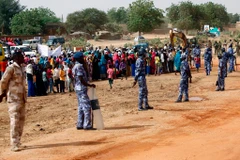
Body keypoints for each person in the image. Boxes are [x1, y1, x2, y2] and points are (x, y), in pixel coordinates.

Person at [0, 50, 27, 152]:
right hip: (13, 98)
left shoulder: (21, 68)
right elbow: (3, 81)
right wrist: (1, 94)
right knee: (14, 121)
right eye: (21, 57)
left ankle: (18, 142)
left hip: (22, 98)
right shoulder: (11, 68)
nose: (23, 58)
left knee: (21, 121)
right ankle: (14, 144)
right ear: (16, 58)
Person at [72, 52, 96, 130]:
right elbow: (81, 79)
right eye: (82, 58)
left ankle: (80, 123)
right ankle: (87, 125)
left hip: (78, 88)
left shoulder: (75, 66)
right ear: (78, 59)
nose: (83, 59)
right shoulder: (79, 66)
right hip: (82, 88)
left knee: (81, 107)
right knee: (87, 106)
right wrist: (89, 85)